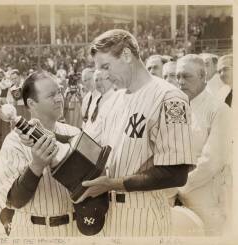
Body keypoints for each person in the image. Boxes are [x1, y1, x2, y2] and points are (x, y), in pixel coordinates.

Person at [76, 29, 194, 236]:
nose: (102, 74)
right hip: (107, 213)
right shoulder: (112, 99)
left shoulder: (170, 98)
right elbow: (90, 144)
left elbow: (176, 174)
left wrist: (112, 184)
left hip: (144, 214)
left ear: (127, 55)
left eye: (106, 66)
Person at [0, 71, 80, 237]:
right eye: (51, 95)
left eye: (59, 92)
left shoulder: (74, 133)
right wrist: (36, 166)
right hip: (33, 231)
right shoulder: (14, 142)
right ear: (32, 103)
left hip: (74, 229)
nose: (59, 98)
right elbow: (14, 201)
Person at [176, 54, 231, 235]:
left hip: (207, 200)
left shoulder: (219, 110)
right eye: (178, 77)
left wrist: (180, 186)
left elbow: (211, 161)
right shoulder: (179, 108)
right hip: (180, 196)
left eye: (186, 76)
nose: (180, 82)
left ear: (202, 76)